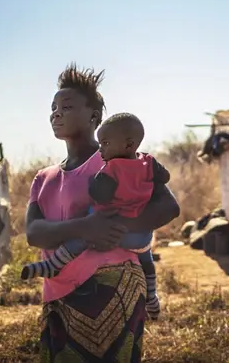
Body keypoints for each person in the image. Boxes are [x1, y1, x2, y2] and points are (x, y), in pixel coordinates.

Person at [25, 63, 180, 362]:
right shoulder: (43, 178)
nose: (56, 113)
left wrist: (120, 225)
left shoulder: (122, 158)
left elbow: (168, 206)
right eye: (53, 107)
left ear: (94, 116)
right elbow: (34, 233)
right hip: (57, 297)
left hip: (116, 291)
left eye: (66, 106)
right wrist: (86, 227)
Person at [21, 112, 169, 320]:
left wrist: (96, 188)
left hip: (115, 238)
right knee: (148, 262)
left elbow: (99, 193)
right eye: (54, 106)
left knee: (85, 236)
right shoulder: (148, 161)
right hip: (141, 237)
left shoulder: (113, 166)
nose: (102, 149)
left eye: (106, 144)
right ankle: (152, 297)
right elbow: (165, 179)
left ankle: (53, 265)